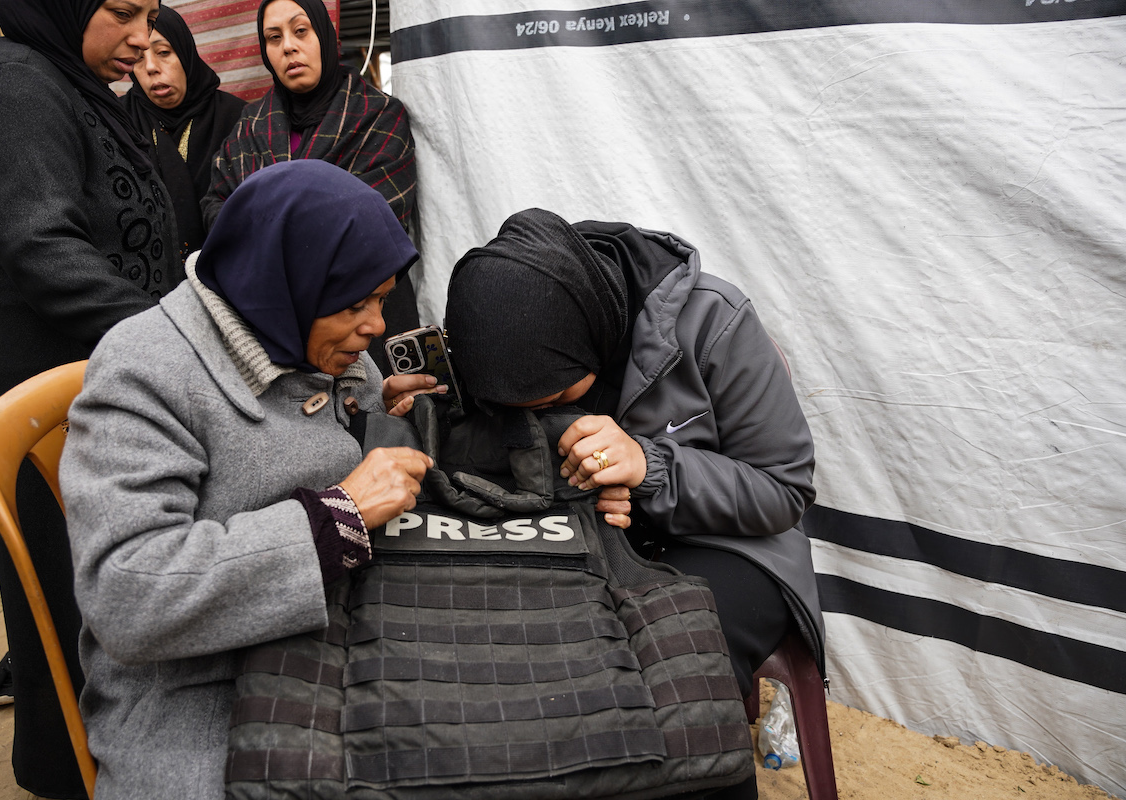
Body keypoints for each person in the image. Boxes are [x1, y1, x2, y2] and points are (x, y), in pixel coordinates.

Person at [59, 159, 443, 800]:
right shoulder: (144, 369)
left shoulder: (302, 329)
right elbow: (126, 593)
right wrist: (337, 517)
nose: (377, 326)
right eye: (357, 303)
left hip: (330, 643)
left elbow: (329, 429)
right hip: (202, 692)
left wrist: (380, 413)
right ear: (282, 280)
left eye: (381, 297)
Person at [445, 208, 822, 800]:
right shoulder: (499, 321)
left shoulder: (714, 321)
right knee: (524, 660)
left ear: (587, 334)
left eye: (556, 396)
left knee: (678, 667)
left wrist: (652, 467)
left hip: (730, 543)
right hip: (590, 537)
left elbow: (784, 490)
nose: (539, 415)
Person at [0, 0, 180, 795]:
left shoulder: (61, 78)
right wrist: (177, 340)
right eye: (124, 12)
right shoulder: (12, 88)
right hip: (46, 397)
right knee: (68, 602)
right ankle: (78, 769)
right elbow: (44, 248)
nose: (144, 38)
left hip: (92, 381)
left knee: (100, 592)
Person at [202, 0, 419, 373]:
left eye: (300, 31)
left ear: (325, 35)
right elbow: (216, 206)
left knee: (378, 418)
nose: (288, 46)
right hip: (264, 324)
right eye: (273, 37)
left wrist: (267, 234)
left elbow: (379, 221)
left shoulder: (378, 115)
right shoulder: (250, 124)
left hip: (361, 318)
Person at [124, 5, 246, 263]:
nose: (151, 68)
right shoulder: (119, 120)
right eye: (137, 58)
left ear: (185, 52)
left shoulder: (237, 118)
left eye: (164, 52)